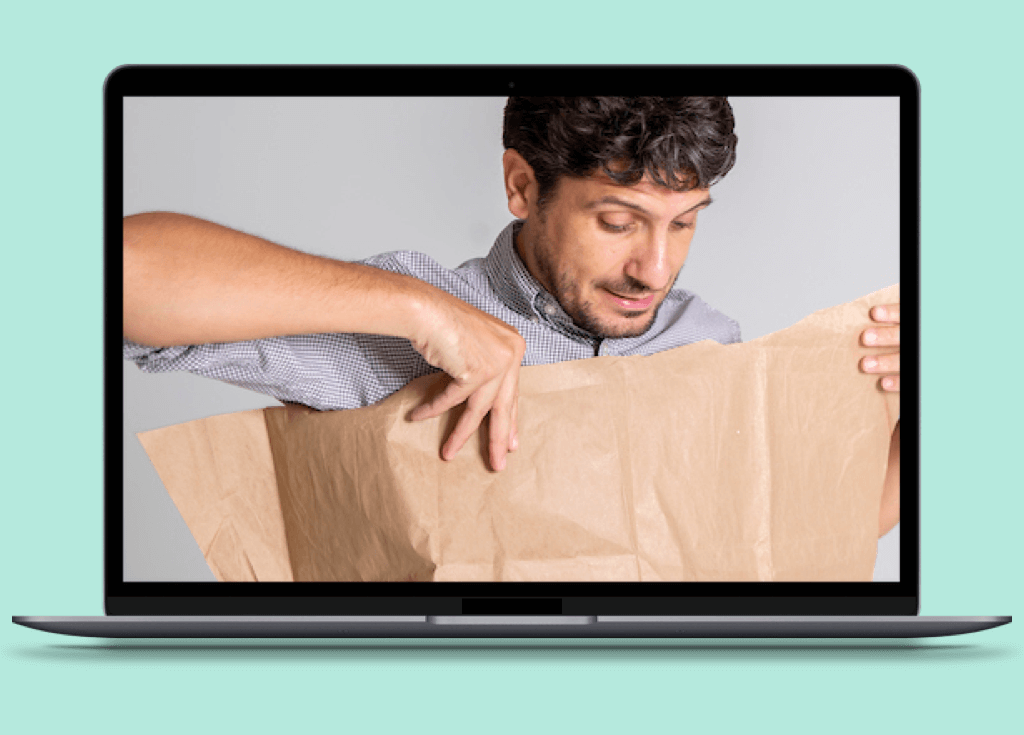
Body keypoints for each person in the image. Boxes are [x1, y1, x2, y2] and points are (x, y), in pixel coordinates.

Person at [123, 96, 900, 536]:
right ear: (523, 187)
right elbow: (121, 273)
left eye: (685, 221)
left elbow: (818, 533)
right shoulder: (390, 329)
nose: (655, 271)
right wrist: (419, 310)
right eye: (619, 221)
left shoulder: (710, 340)